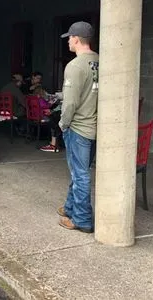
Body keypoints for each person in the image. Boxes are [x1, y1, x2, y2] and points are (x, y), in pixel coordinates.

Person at [57, 21, 99, 233]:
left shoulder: (74, 66)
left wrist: (63, 124)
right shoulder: (100, 62)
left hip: (79, 128)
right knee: (79, 171)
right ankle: (69, 207)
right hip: (94, 128)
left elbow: (70, 102)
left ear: (76, 39)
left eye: (69, 38)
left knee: (80, 174)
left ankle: (81, 219)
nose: (68, 42)